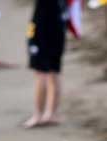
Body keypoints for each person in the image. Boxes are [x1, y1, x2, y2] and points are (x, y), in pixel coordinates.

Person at [24, 0, 66, 128]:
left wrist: (31, 42)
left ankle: (39, 114)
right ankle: (50, 113)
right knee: (52, 75)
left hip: (44, 39)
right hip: (57, 36)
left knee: (43, 75)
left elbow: (36, 21)